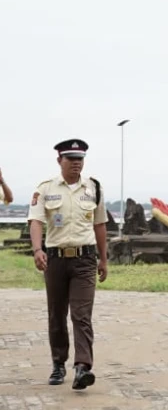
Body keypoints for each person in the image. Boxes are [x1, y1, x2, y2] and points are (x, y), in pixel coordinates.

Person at [27, 139, 108, 389]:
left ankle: (82, 367)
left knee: (81, 315)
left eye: (80, 159)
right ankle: (58, 364)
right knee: (57, 314)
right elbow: (36, 221)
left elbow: (100, 224)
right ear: (59, 160)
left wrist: (103, 258)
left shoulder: (93, 188)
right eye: (71, 159)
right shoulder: (45, 189)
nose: (76, 163)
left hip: (84, 259)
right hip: (55, 259)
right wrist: (38, 249)